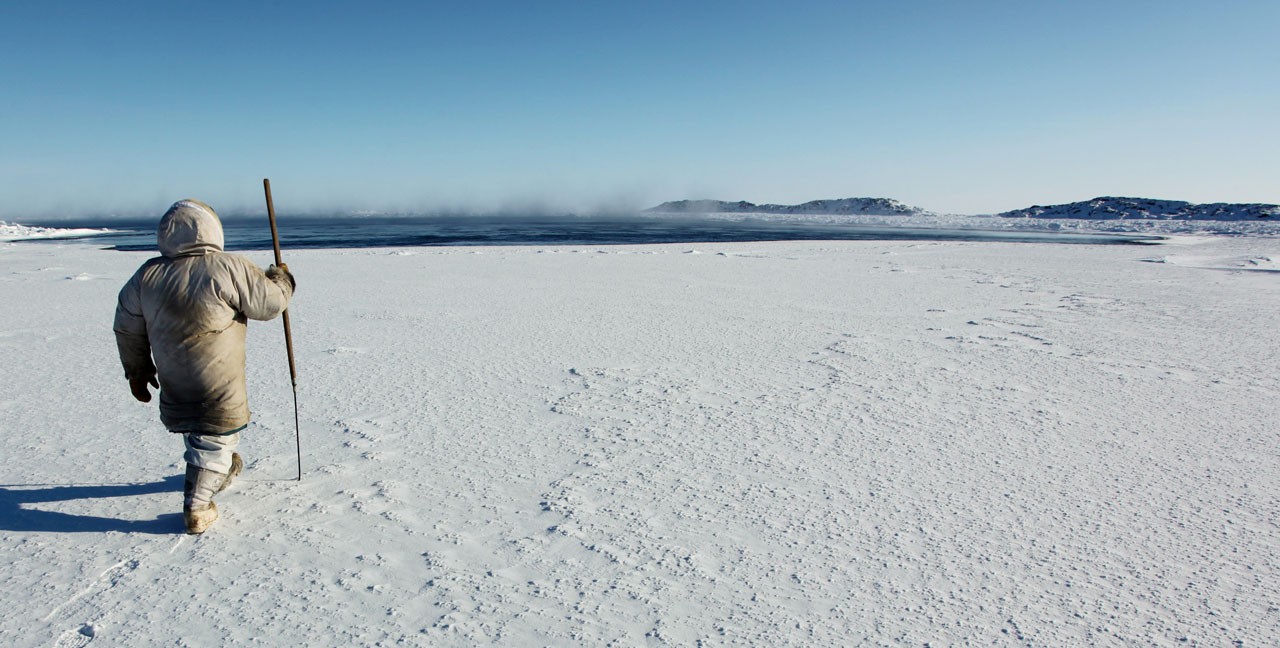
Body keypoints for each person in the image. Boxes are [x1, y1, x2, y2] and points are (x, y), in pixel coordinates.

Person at [114, 199, 296, 534]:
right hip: (217, 375)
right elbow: (269, 304)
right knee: (216, 433)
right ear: (212, 229)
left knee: (198, 425)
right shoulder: (227, 267)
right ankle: (197, 506)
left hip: (173, 374)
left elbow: (126, 327)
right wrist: (281, 279)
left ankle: (219, 471)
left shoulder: (147, 275)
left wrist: (137, 370)